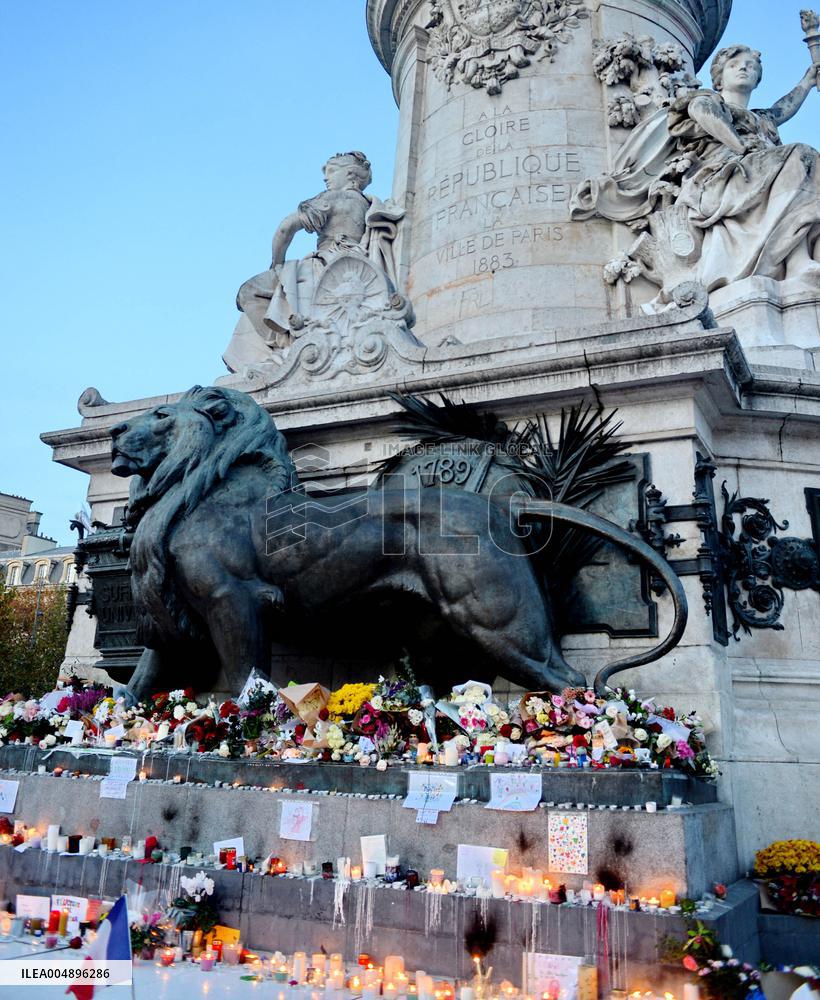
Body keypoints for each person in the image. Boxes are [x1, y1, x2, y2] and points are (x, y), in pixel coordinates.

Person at [572, 46, 820, 298]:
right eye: (735, 65)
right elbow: (702, 113)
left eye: (752, 66)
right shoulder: (708, 101)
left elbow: (785, 108)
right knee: (799, 157)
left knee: (806, 169)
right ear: (719, 77)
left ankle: (797, 260)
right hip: (717, 181)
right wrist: (741, 146)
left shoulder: (761, 118)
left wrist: (808, 81)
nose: (745, 68)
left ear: (758, 79)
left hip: (755, 175)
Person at [236, 151, 404, 348]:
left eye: (332, 170)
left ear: (350, 174)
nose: (326, 177)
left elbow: (285, 228)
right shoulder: (370, 204)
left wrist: (278, 262)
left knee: (249, 292)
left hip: (323, 265)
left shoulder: (333, 197)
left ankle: (284, 349)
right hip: (355, 266)